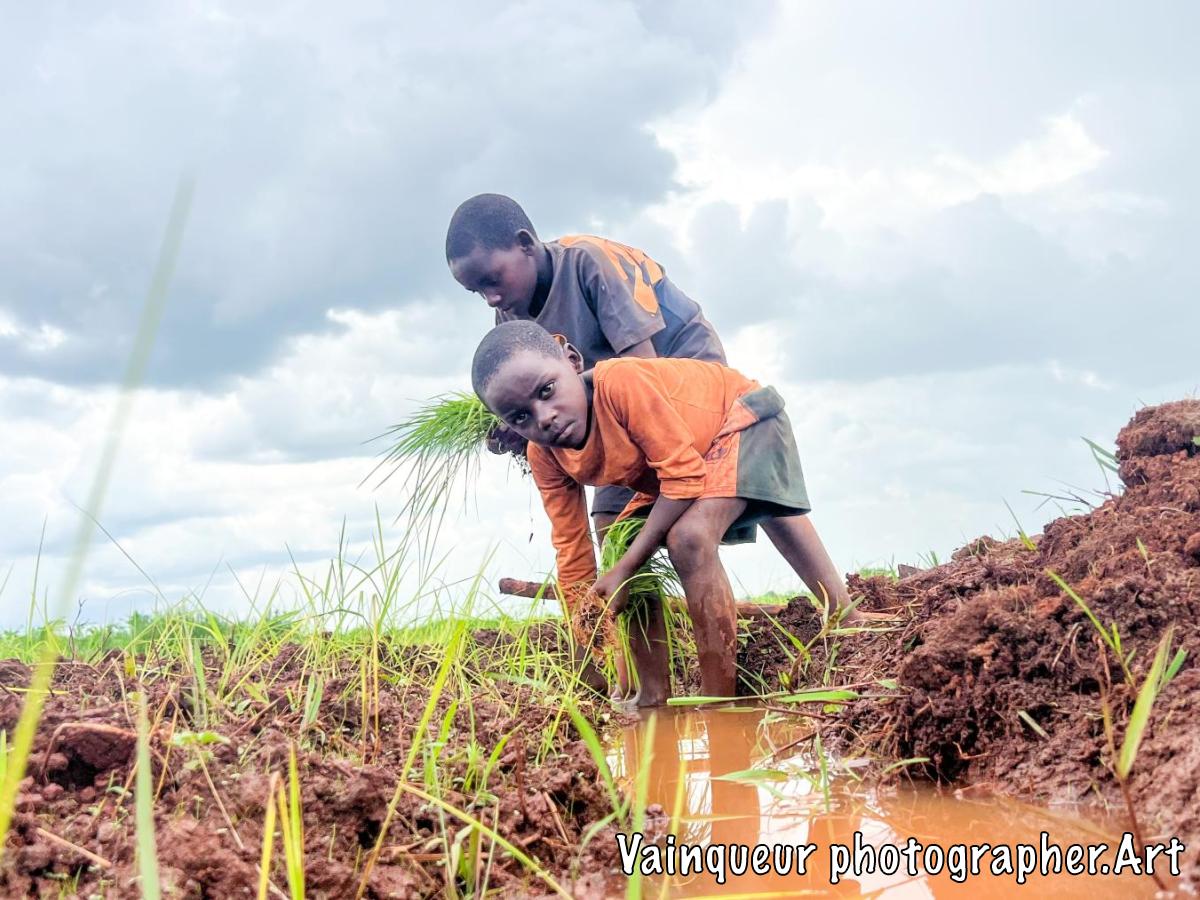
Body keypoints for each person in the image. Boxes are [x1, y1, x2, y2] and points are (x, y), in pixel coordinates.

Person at [446, 194, 858, 695]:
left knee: (715, 513)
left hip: (683, 378)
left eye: (492, 279)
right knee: (615, 531)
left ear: (525, 245)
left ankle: (834, 613)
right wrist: (523, 430)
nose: (490, 297)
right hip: (597, 407)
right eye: (476, 292)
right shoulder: (513, 328)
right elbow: (571, 546)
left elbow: (645, 373)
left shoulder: (589, 264)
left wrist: (632, 553)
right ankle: (640, 689)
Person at [471, 320, 856, 706]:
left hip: (743, 418)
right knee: (619, 548)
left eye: (547, 391)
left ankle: (719, 704)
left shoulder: (620, 385)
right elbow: (571, 548)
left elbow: (683, 477)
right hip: (686, 460)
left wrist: (625, 569)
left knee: (689, 539)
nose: (544, 417)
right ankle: (653, 698)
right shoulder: (545, 455)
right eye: (520, 417)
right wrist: (583, 639)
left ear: (572, 360)